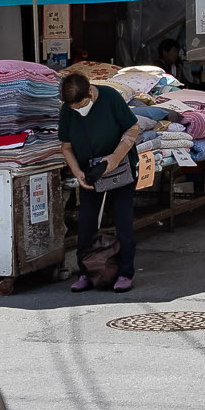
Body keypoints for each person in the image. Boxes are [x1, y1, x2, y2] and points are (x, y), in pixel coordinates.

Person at [59, 68, 142, 291]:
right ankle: (86, 272)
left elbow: (133, 128)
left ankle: (125, 272)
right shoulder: (67, 110)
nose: (77, 111)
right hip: (89, 172)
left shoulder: (110, 97)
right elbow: (66, 146)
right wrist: (76, 171)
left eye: (80, 106)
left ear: (90, 94)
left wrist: (115, 158)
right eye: (73, 108)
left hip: (120, 168)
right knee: (86, 223)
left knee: (123, 222)